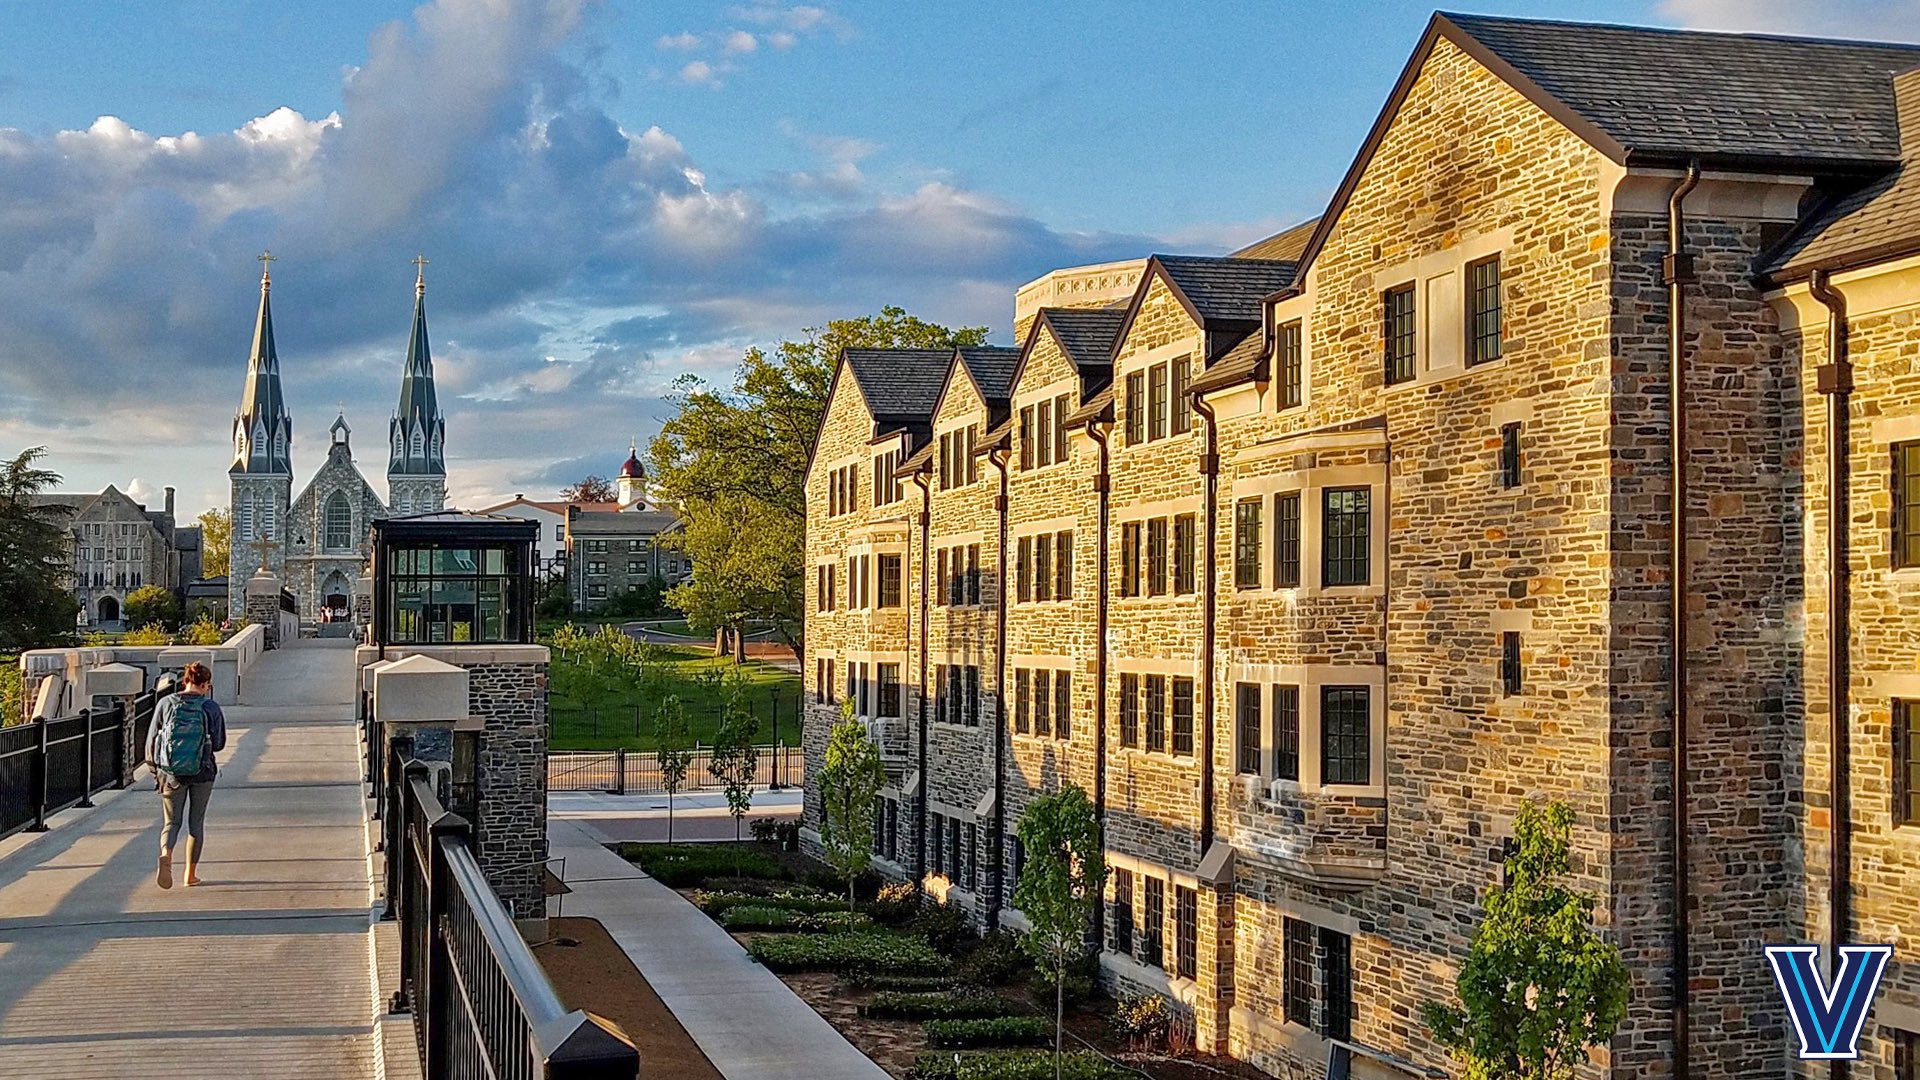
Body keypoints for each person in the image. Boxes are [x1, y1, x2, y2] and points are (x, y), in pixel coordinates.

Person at [146, 661, 228, 889]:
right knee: (196, 823)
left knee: (171, 822)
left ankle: (166, 854)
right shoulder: (210, 707)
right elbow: (219, 743)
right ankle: (190, 875)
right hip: (202, 772)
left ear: (185, 681)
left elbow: (151, 741)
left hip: (171, 773)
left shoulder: (166, 703)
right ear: (205, 685)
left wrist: (156, 773)